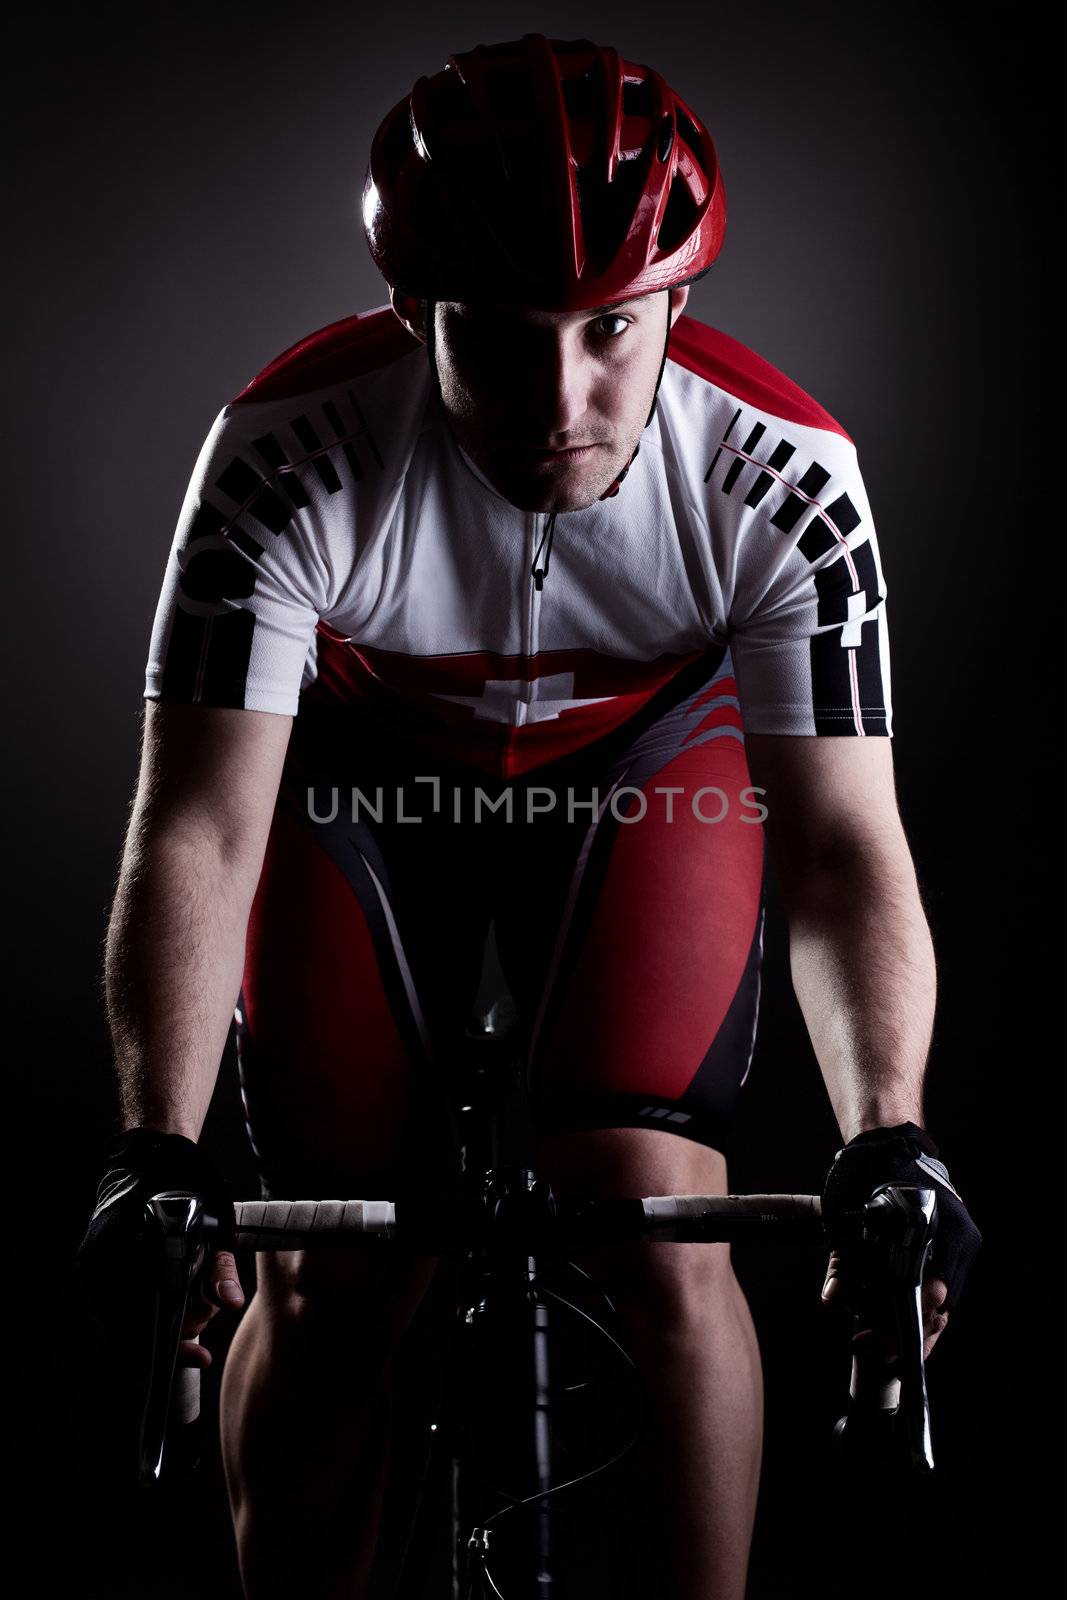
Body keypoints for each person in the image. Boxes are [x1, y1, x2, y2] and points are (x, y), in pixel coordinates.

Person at [76, 32, 981, 1600]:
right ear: (411, 311)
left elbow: (843, 845)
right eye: (495, 338)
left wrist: (887, 1136)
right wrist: (156, 1149)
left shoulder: (786, 473)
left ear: (679, 305)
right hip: (361, 774)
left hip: (647, 767)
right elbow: (200, 829)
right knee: (337, 1271)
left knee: (661, 1232)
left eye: (609, 333)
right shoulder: (285, 456)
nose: (559, 400)